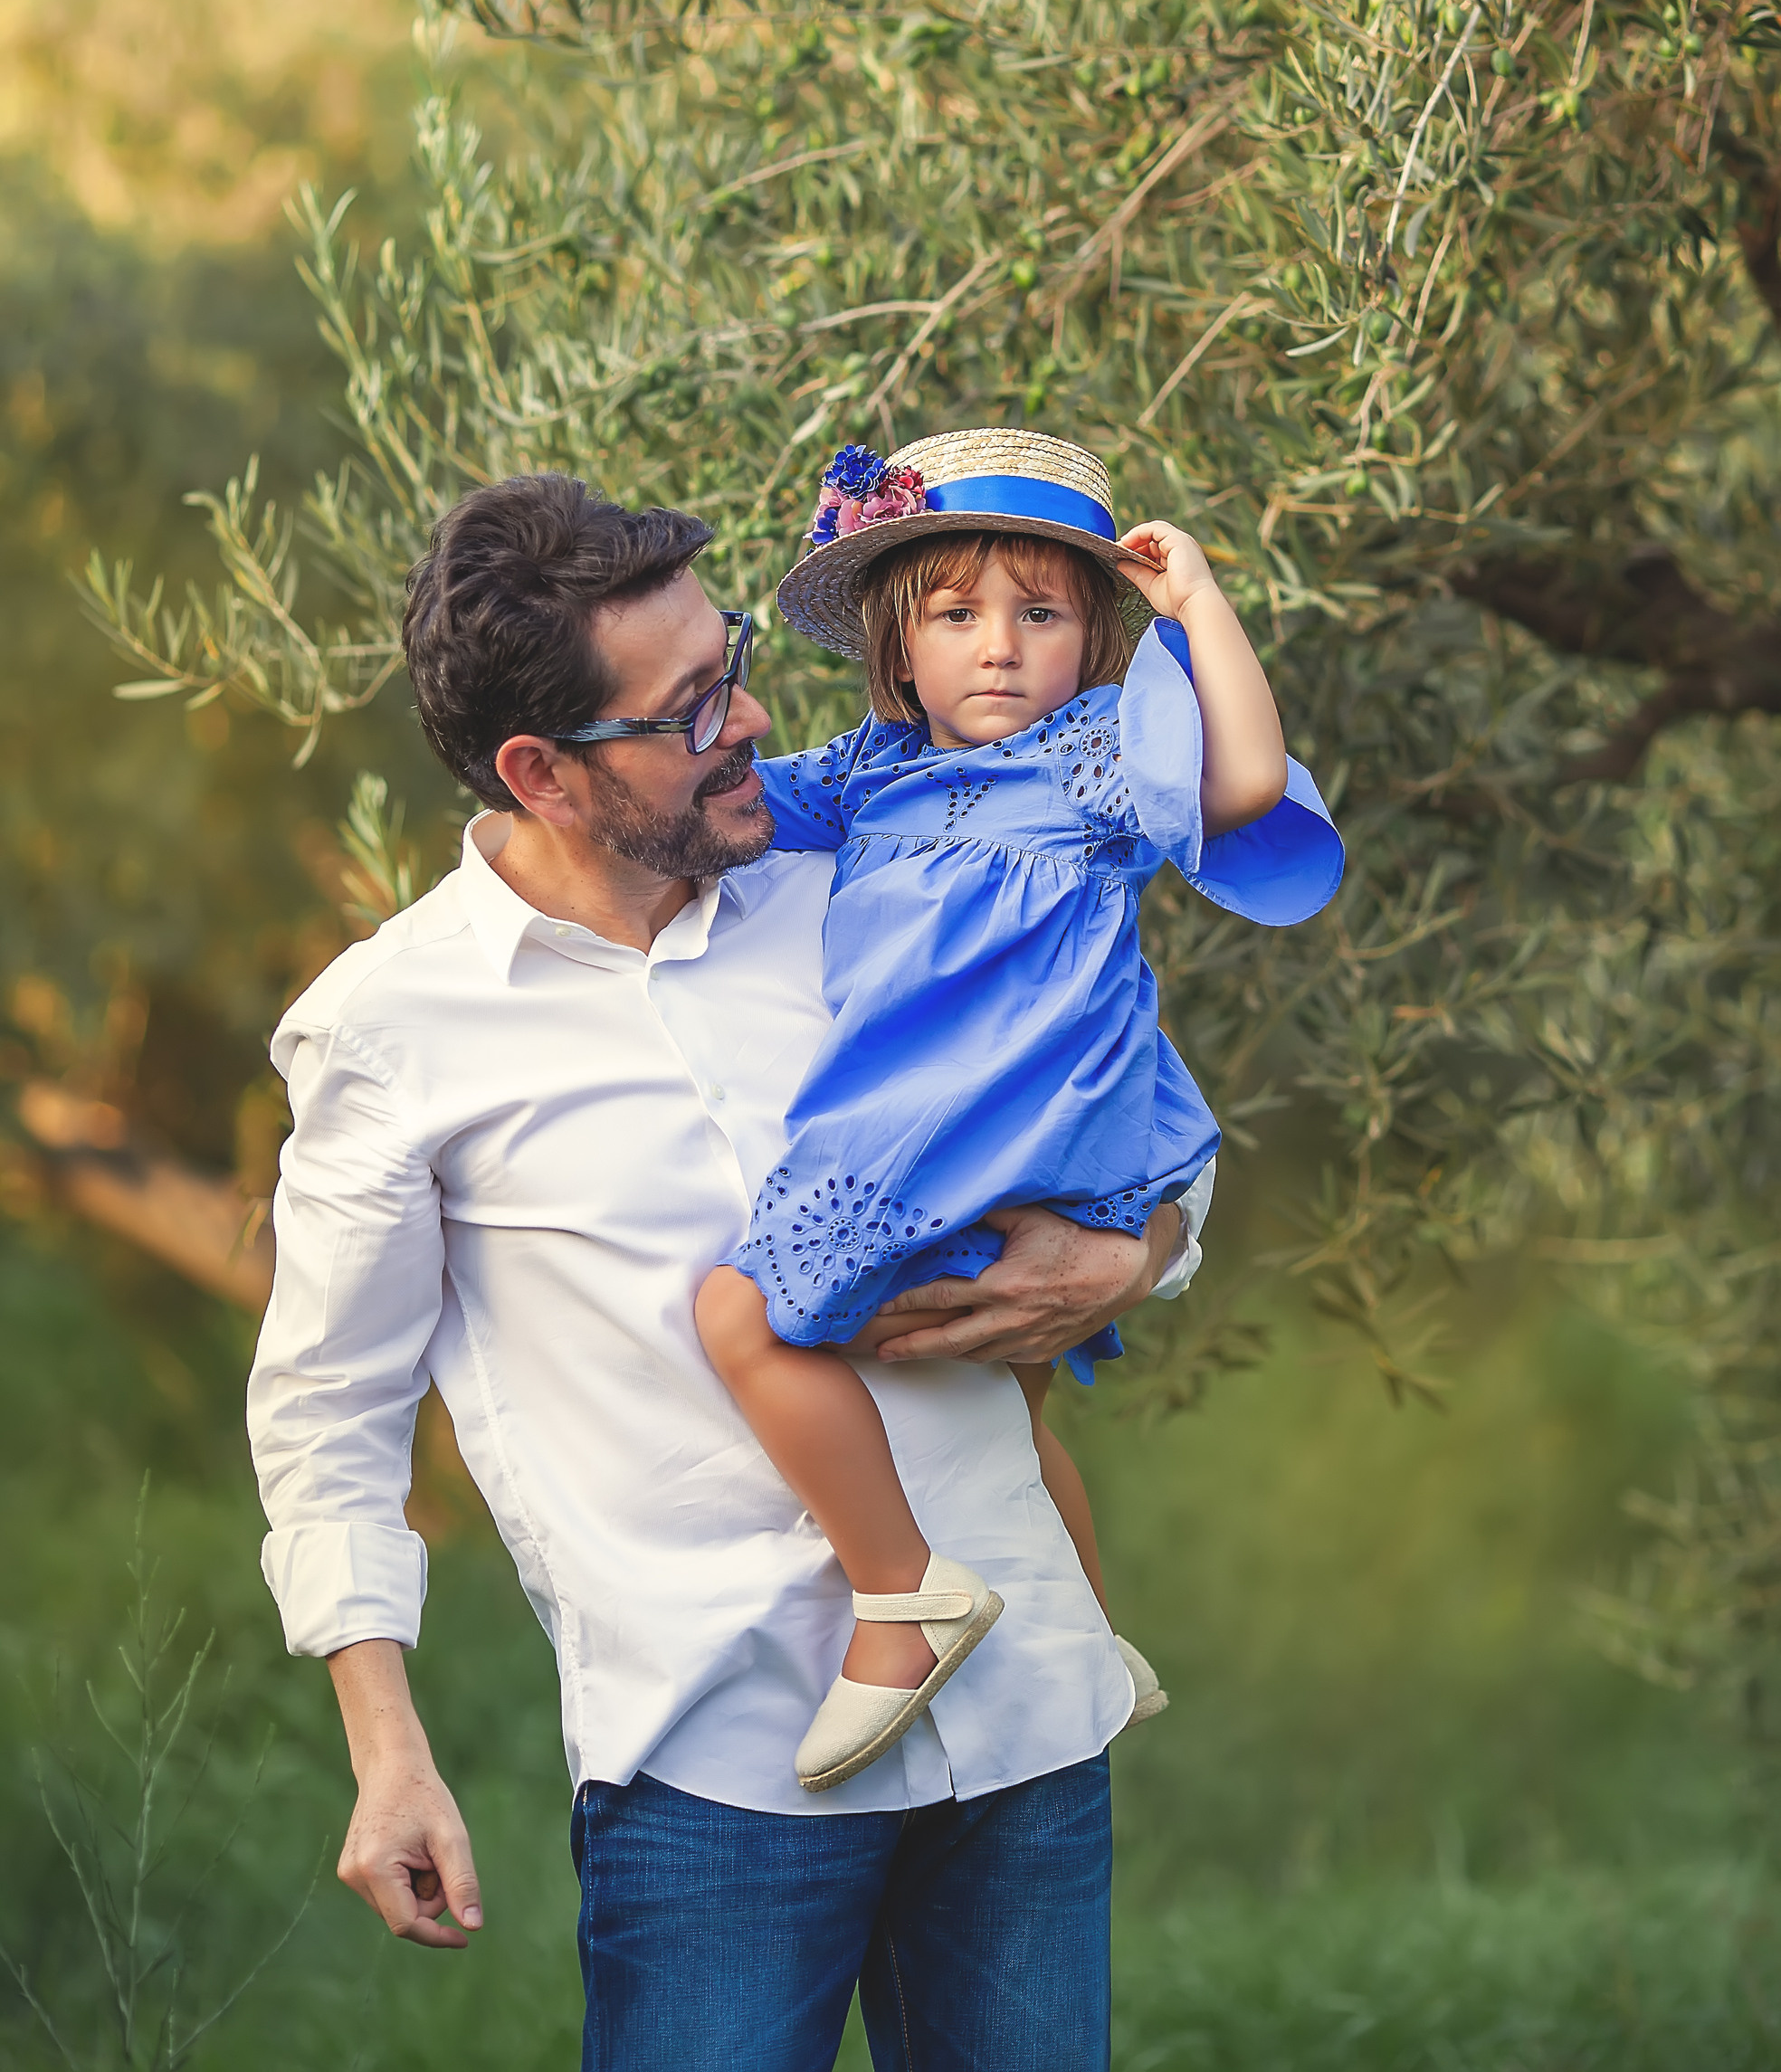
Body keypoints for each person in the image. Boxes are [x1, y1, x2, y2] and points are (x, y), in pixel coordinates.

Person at [245, 470, 1211, 2072]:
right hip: (722, 1775)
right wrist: (386, 1745)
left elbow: (1132, 1104)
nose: (755, 715)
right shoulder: (392, 1028)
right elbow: (328, 1414)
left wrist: (1132, 1256)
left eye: (735, 659)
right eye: (692, 709)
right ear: (542, 771)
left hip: (1027, 1722)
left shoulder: (871, 873)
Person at [694, 428, 1344, 1792]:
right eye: (957, 614)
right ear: (897, 647)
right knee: (1018, 1419)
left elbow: (1242, 784)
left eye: (1041, 613)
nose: (1000, 648)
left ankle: (900, 1598)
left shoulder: (1094, 760)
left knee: (739, 1316)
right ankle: (1097, 1642)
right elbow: (723, 811)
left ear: (1091, 636)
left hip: (984, 1145)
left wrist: (1202, 609)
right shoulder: (868, 776)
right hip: (1018, 1155)